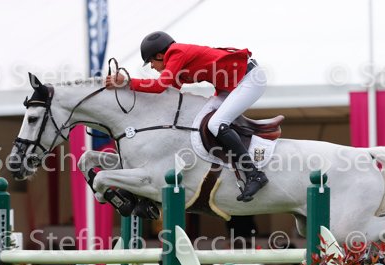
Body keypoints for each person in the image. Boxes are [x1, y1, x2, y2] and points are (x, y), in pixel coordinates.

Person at [105, 31, 269, 202]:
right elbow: (168, 93)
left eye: (151, 62)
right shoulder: (176, 60)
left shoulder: (176, 53)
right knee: (199, 119)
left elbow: (159, 86)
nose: (152, 67)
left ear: (160, 55)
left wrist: (127, 82)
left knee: (216, 124)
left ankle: (254, 174)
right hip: (231, 86)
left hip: (249, 80)